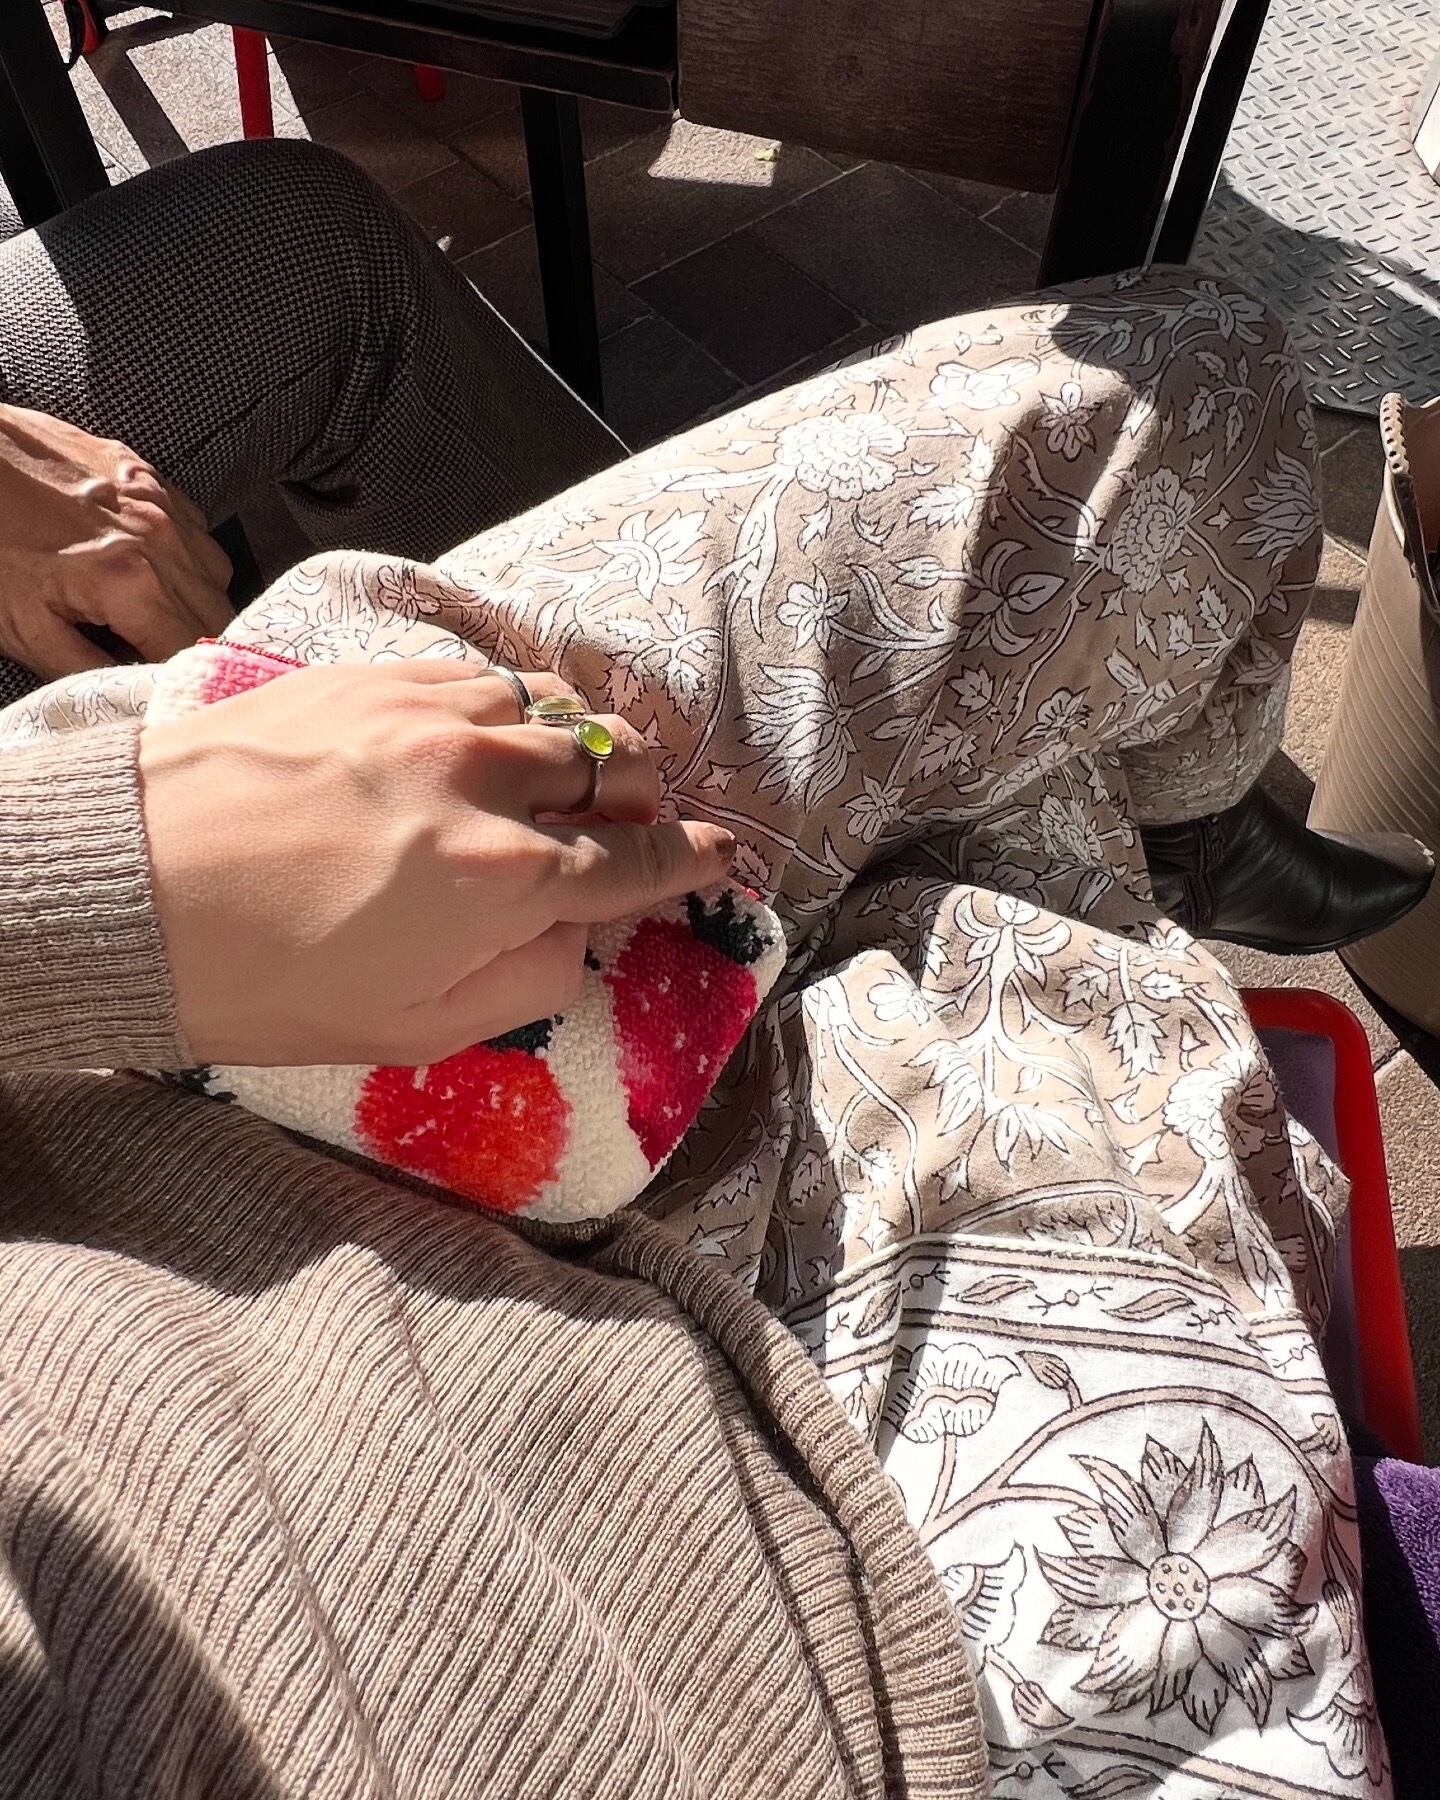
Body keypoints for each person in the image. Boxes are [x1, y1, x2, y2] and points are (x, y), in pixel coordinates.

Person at [0, 137, 1420, 1799]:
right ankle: (1135, 827)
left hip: (108, 1031)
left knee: (1187, 396)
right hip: (706, 1558)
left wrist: (92, 886)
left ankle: (1157, 818)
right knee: (1014, 789)